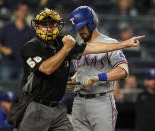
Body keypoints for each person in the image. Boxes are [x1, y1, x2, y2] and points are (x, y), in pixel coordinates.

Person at [15, 8, 145, 131]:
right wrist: (74, 77)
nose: (49, 28)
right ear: (37, 26)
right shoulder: (34, 46)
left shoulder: (106, 42)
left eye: (52, 24)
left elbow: (118, 66)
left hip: (99, 100)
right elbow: (48, 69)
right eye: (44, 24)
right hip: (49, 103)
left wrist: (125, 44)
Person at [69, 6, 134, 131]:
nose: (80, 31)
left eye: (82, 26)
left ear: (92, 23)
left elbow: (123, 70)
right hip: (78, 101)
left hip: (101, 101)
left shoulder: (109, 42)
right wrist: (74, 80)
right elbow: (82, 70)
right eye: (77, 28)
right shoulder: (77, 45)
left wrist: (97, 77)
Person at [0, 2, 34, 85]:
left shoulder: (30, 30)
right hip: (8, 64)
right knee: (4, 87)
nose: (24, 12)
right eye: (22, 10)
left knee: (23, 90)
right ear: (16, 12)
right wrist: (3, 49)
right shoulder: (7, 27)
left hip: (23, 66)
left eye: (26, 10)